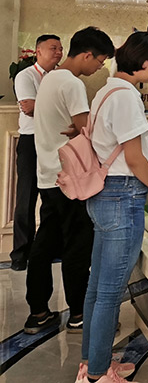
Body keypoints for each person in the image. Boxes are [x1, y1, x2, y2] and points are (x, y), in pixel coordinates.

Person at [79, 32, 148, 383]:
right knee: (110, 291)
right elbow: (134, 157)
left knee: (98, 286)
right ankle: (98, 374)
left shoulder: (106, 90)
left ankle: (92, 361)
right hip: (122, 195)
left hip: (104, 194)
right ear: (142, 62)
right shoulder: (126, 96)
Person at [25, 27, 114, 335]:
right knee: (77, 246)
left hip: (48, 176)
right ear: (87, 55)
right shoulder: (72, 83)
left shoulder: (50, 78)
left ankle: (38, 311)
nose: (99, 67)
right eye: (100, 61)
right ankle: (79, 313)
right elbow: (87, 131)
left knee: (44, 244)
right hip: (71, 180)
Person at [11, 34, 64, 271]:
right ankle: (20, 254)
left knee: (53, 196)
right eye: (53, 48)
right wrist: (58, 107)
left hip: (54, 141)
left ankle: (48, 248)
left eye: (61, 48)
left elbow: (42, 107)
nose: (59, 52)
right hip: (31, 141)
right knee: (26, 197)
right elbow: (29, 108)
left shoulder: (60, 77)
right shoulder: (26, 75)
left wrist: (45, 106)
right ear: (38, 51)